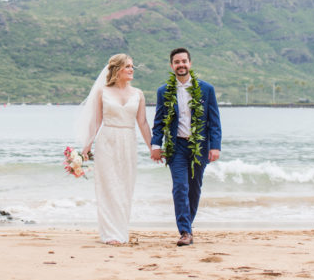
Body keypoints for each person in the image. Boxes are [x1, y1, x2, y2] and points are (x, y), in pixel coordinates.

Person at [76, 54, 154, 245]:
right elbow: (96, 121)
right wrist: (87, 145)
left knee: (125, 187)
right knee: (108, 186)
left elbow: (143, 123)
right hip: (107, 141)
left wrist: (153, 147)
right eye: (128, 66)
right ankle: (110, 234)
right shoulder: (102, 92)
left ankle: (121, 231)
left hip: (128, 141)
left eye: (132, 66)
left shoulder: (138, 94)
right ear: (117, 69)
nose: (131, 70)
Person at [150, 47, 221, 246]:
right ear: (172, 66)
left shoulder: (206, 89)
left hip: (199, 145)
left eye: (184, 61)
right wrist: (155, 145)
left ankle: (187, 226)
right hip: (176, 146)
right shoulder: (163, 91)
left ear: (190, 63)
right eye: (177, 62)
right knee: (180, 187)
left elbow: (214, 121)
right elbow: (158, 122)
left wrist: (215, 146)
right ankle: (185, 232)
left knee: (194, 188)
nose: (181, 65)